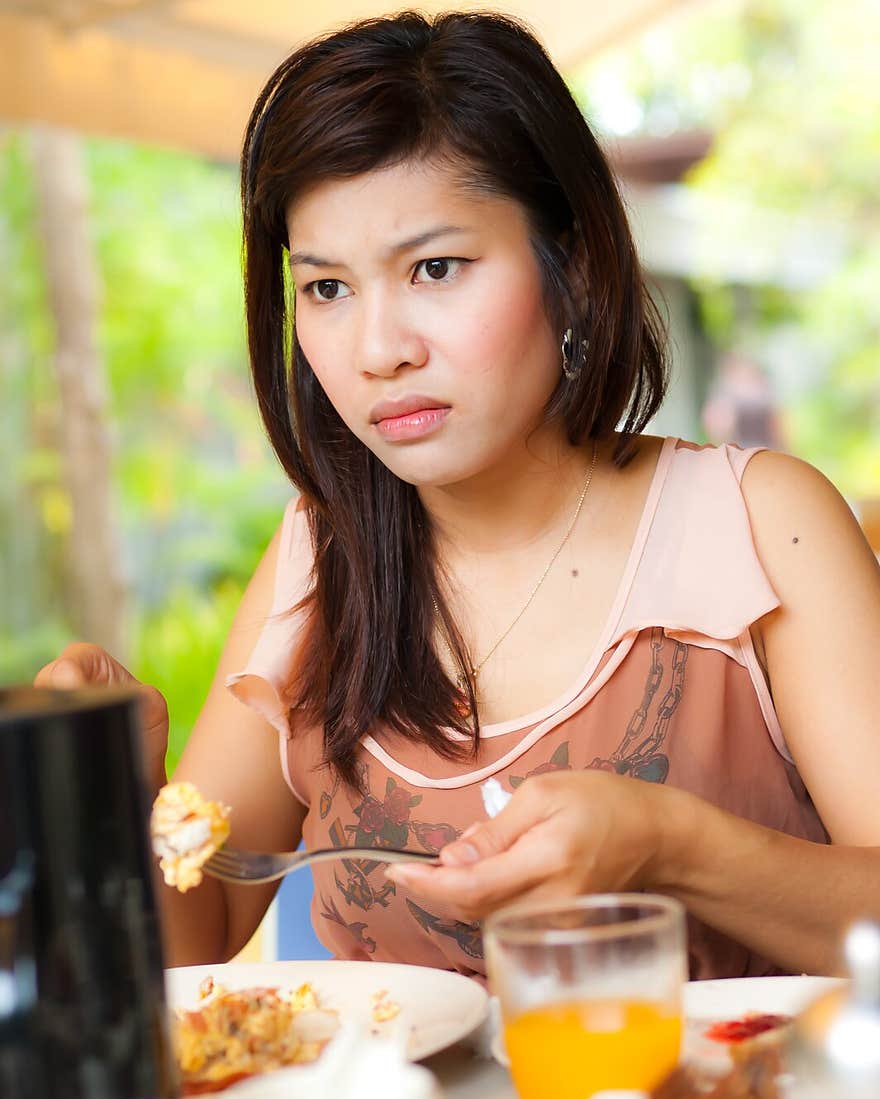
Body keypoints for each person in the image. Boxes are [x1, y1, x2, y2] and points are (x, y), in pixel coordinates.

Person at [35, 11, 880, 980]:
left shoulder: (760, 525)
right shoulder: (319, 556)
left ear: (578, 267)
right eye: (326, 288)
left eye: (435, 268)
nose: (376, 350)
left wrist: (676, 848)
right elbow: (197, 939)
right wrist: (100, 787)